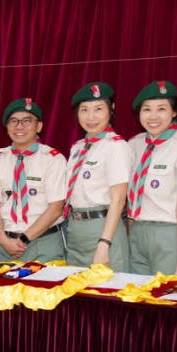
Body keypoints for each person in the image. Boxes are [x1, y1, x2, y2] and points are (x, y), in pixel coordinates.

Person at [126, 82, 177, 278]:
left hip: (172, 233)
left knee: (171, 295)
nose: (153, 116)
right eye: (147, 109)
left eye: (161, 109)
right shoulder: (133, 145)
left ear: (174, 112)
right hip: (138, 231)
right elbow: (131, 198)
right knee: (136, 293)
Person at [0, 99, 66, 263]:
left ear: (39, 126)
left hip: (43, 243)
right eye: (13, 121)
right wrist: (3, 241)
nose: (19, 127)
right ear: (7, 127)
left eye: (27, 121)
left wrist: (23, 240)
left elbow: (56, 209)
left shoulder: (53, 160)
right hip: (5, 245)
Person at [65, 82, 132, 269]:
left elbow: (119, 200)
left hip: (103, 228)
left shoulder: (116, 146)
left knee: (107, 286)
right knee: (76, 285)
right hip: (75, 229)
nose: (91, 117)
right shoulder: (77, 148)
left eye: (98, 109)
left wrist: (104, 243)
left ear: (112, 109)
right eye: (84, 110)